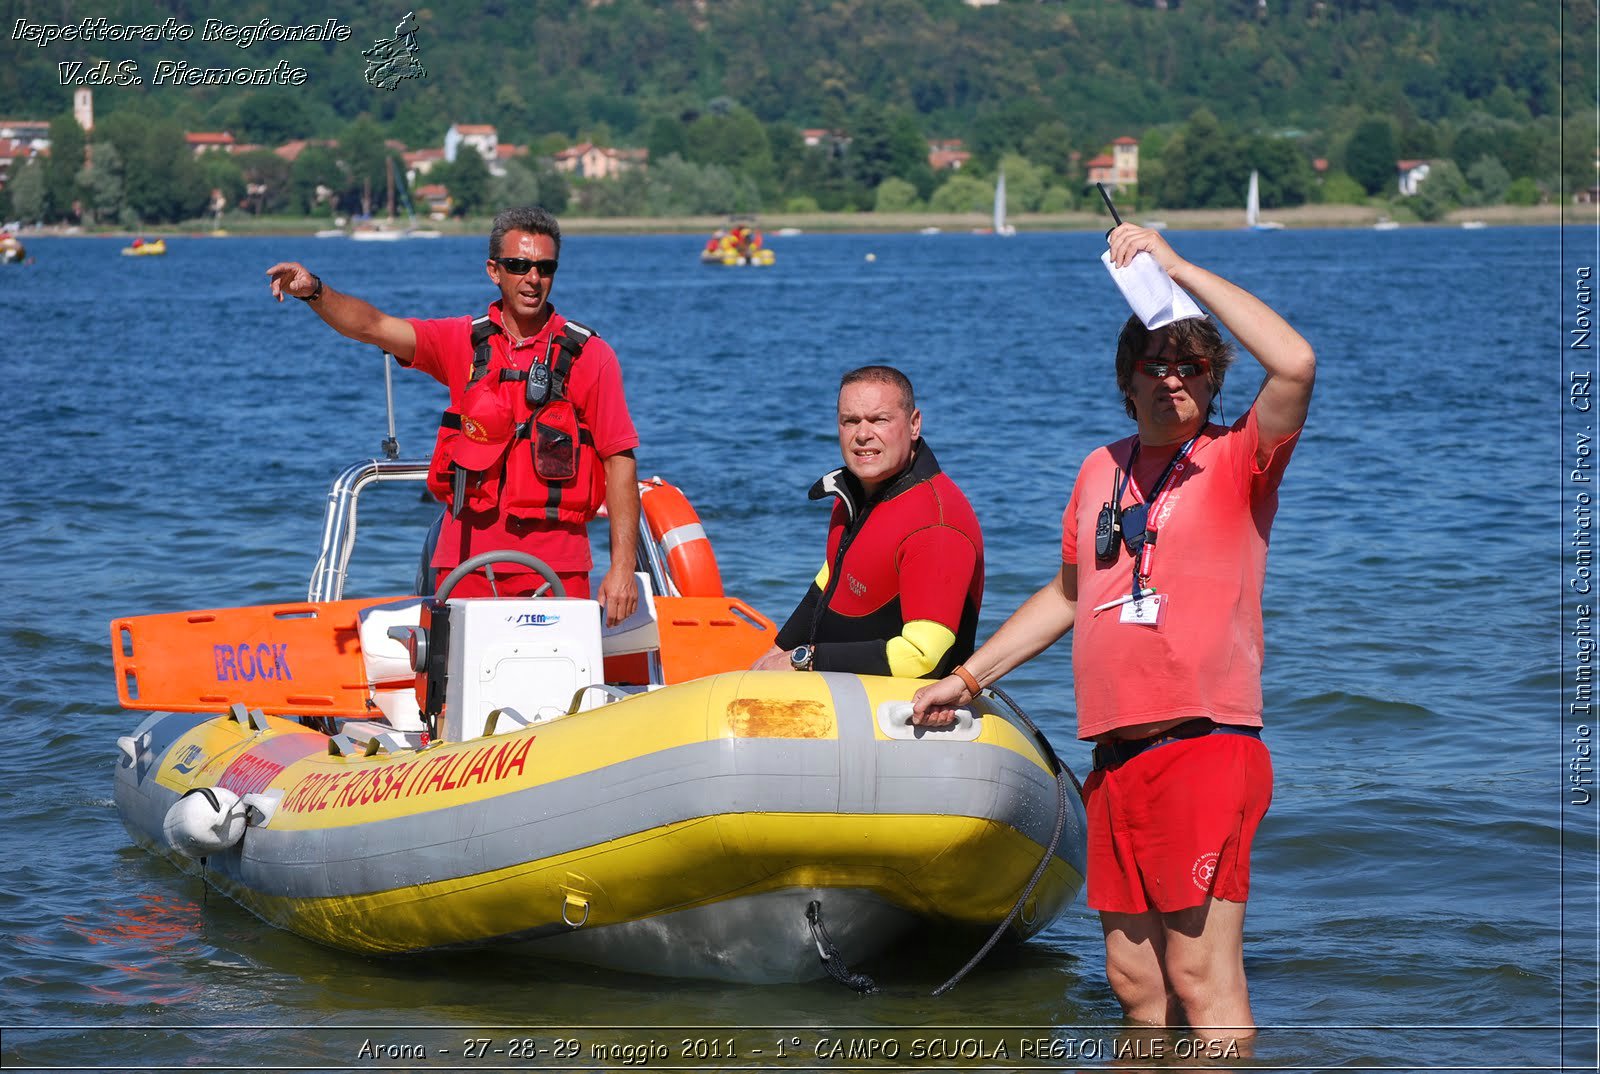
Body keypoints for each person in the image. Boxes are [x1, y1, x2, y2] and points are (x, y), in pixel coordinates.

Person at [912, 224, 1315, 1041]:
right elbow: (1070, 593)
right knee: (1135, 984)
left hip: (1205, 745)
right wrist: (966, 679)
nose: (1172, 379)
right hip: (1116, 762)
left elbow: (1296, 363)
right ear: (1126, 381)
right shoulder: (1100, 467)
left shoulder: (1240, 459)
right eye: (1153, 364)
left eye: (1191, 366)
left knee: (1202, 980)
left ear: (1211, 382)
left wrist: (1174, 267)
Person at [266, 205, 639, 625]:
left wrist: (622, 567)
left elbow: (619, 460)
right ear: (494, 271)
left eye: (544, 267)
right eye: (518, 265)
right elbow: (372, 326)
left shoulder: (592, 356)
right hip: (463, 568)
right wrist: (315, 290)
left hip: (558, 569)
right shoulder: (459, 340)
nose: (532, 279)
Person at [752, 365, 983, 678]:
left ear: (914, 424)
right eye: (850, 421)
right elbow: (828, 583)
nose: (862, 434)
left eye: (879, 420)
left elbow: (922, 655)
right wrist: (774, 655)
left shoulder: (935, 524)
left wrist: (804, 659)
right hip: (836, 689)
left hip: (900, 712)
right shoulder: (852, 494)